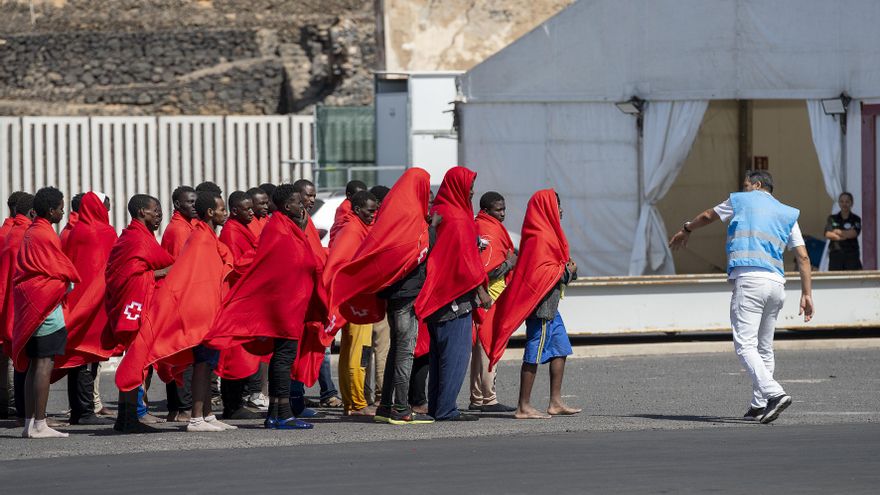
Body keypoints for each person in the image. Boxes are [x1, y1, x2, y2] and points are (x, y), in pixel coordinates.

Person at [669, 170, 814, 424]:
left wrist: (687, 228)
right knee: (764, 347)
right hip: (776, 284)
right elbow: (802, 256)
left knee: (745, 345)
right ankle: (759, 404)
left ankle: (774, 393)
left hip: (750, 281)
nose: (744, 189)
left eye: (747, 185)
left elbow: (707, 216)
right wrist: (807, 293)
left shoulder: (740, 200)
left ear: (757, 185)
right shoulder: (788, 213)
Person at [116, 191, 237, 433]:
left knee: (207, 364)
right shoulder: (198, 238)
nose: (226, 213)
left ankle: (207, 414)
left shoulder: (206, 237)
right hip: (192, 313)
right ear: (211, 212)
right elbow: (185, 273)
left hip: (208, 311)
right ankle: (194, 418)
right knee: (200, 364)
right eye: (222, 209)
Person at [205, 184, 322, 430]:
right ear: (285, 205)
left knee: (282, 357)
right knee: (283, 357)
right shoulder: (279, 228)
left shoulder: (287, 226)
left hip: (290, 304)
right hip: (284, 307)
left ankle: (276, 413)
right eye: (297, 201)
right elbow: (291, 262)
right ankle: (282, 414)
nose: (302, 205)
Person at [330, 169, 435, 424]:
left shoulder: (393, 217)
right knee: (404, 351)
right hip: (406, 296)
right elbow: (413, 253)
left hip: (393, 294)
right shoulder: (413, 220)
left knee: (394, 350)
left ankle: (386, 405)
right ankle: (400, 407)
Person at [488, 190, 580, 419]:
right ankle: (524, 406)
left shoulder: (549, 234)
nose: (560, 210)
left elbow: (558, 268)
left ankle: (555, 402)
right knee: (534, 351)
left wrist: (567, 271)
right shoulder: (541, 238)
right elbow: (545, 274)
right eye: (557, 205)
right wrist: (568, 272)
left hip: (552, 307)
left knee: (560, 349)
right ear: (547, 208)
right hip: (541, 309)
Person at [415, 167, 492, 422]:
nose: (472, 191)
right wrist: (482, 290)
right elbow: (466, 262)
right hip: (455, 297)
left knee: (438, 357)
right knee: (455, 356)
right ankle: (447, 409)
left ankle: (439, 405)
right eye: (469, 186)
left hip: (437, 295)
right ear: (458, 186)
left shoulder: (438, 211)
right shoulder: (459, 218)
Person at [12, 187, 81, 438]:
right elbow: (57, 270)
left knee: (33, 365)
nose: (64, 211)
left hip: (33, 305)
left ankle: (31, 422)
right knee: (44, 363)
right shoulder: (45, 234)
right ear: (51, 210)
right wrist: (66, 283)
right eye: (61, 207)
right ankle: (40, 423)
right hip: (46, 308)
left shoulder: (33, 231)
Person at [105, 194, 175, 433]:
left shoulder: (140, 237)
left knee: (136, 362)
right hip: (134, 307)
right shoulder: (135, 239)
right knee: (135, 361)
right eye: (155, 210)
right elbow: (127, 276)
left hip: (139, 305)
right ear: (141, 212)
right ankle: (127, 419)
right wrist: (165, 271)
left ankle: (127, 417)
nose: (159, 214)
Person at [56, 192, 117, 426]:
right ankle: (85, 412)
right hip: (96, 303)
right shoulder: (105, 232)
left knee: (77, 356)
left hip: (75, 300)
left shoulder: (74, 231)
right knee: (90, 356)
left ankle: (79, 410)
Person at [325, 191, 379, 416]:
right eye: (369, 210)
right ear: (357, 209)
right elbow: (341, 266)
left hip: (357, 299)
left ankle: (351, 402)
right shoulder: (353, 231)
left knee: (351, 350)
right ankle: (357, 404)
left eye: (375, 210)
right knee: (358, 351)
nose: (373, 214)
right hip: (357, 300)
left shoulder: (356, 228)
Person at [216, 191, 265, 420]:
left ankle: (237, 402)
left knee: (242, 355)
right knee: (234, 357)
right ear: (235, 211)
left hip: (246, 300)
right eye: (247, 209)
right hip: (236, 300)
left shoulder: (245, 226)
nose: (252, 212)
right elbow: (238, 267)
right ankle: (232, 405)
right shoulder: (232, 232)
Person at [470, 192, 517, 413]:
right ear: (486, 210)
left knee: (480, 346)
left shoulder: (484, 225)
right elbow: (489, 268)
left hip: (485, 294)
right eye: (498, 210)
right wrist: (510, 263)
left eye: (504, 209)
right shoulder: (487, 229)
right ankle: (488, 398)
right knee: (489, 343)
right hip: (490, 294)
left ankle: (478, 397)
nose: (503, 214)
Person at [159, 185, 198, 422]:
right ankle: (182, 408)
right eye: (189, 202)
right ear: (177, 205)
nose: (194, 205)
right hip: (180, 301)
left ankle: (179, 408)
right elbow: (179, 268)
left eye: (195, 202)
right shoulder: (177, 230)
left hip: (186, 299)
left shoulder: (188, 226)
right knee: (181, 356)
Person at [0, 192, 32, 420]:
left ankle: (9, 404)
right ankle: (17, 406)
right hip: (16, 305)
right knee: (16, 360)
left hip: (8, 302)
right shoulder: (22, 235)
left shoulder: (7, 233)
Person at [825, 192, 862, 271]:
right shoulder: (832, 218)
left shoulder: (856, 219)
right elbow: (827, 234)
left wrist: (837, 231)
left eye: (847, 201)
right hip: (836, 256)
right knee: (835, 281)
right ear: (839, 203)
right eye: (842, 201)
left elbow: (854, 233)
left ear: (851, 203)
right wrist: (844, 235)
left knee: (852, 281)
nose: (844, 204)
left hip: (851, 256)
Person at [329, 180, 367, 247]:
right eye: (359, 196)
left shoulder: (355, 206)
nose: (362, 199)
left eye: (364, 196)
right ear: (349, 195)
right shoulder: (346, 208)